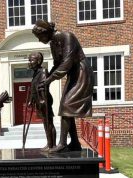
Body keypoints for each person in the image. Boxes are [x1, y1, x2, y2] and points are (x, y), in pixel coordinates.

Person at [32, 19, 94, 152]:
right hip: (73, 75)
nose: (39, 40)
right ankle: (75, 143)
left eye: (39, 37)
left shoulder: (67, 36)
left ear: (46, 32)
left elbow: (66, 63)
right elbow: (57, 65)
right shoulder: (53, 43)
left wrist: (49, 80)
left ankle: (62, 143)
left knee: (66, 107)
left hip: (81, 73)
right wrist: (47, 77)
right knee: (66, 109)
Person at [28, 52, 56, 151]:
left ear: (39, 61)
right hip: (39, 102)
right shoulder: (35, 74)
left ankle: (52, 145)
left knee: (49, 123)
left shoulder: (43, 71)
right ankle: (49, 143)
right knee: (45, 123)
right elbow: (33, 88)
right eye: (29, 60)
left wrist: (43, 100)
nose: (29, 62)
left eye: (31, 60)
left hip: (44, 101)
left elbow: (43, 86)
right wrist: (31, 100)